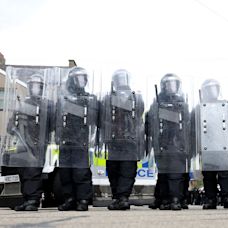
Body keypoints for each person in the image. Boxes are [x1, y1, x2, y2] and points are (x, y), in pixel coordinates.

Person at [4, 74, 51, 211]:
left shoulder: (47, 105)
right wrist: (14, 128)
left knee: (33, 173)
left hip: (38, 145)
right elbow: (10, 126)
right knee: (23, 174)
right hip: (22, 145)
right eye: (34, 86)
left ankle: (33, 200)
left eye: (38, 86)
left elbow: (53, 125)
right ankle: (27, 199)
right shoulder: (22, 105)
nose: (36, 89)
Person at [99, 69, 145, 210]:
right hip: (113, 142)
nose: (121, 81)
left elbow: (139, 115)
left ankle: (123, 198)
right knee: (113, 171)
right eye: (119, 78)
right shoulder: (107, 98)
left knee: (127, 171)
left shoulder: (136, 98)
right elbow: (102, 118)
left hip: (130, 142)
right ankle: (117, 198)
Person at [56, 67, 99, 211]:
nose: (82, 81)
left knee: (81, 173)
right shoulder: (62, 99)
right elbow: (56, 120)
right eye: (78, 78)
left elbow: (94, 119)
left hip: (81, 142)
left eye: (83, 78)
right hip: (65, 141)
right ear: (71, 80)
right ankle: (70, 199)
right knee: (65, 173)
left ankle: (83, 200)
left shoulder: (90, 99)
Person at [146, 74, 190, 210]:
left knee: (176, 173)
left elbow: (187, 124)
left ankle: (176, 198)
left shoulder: (182, 104)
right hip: (162, 143)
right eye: (169, 84)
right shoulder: (156, 104)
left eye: (174, 84)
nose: (172, 86)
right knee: (164, 173)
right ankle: (163, 198)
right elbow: (149, 124)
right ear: (163, 86)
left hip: (177, 143)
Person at [196, 79, 228, 210]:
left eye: (214, 88)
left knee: (226, 174)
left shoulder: (226, 105)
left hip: (223, 144)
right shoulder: (200, 107)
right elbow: (195, 126)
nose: (212, 91)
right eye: (209, 89)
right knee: (209, 175)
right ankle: (210, 199)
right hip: (207, 145)